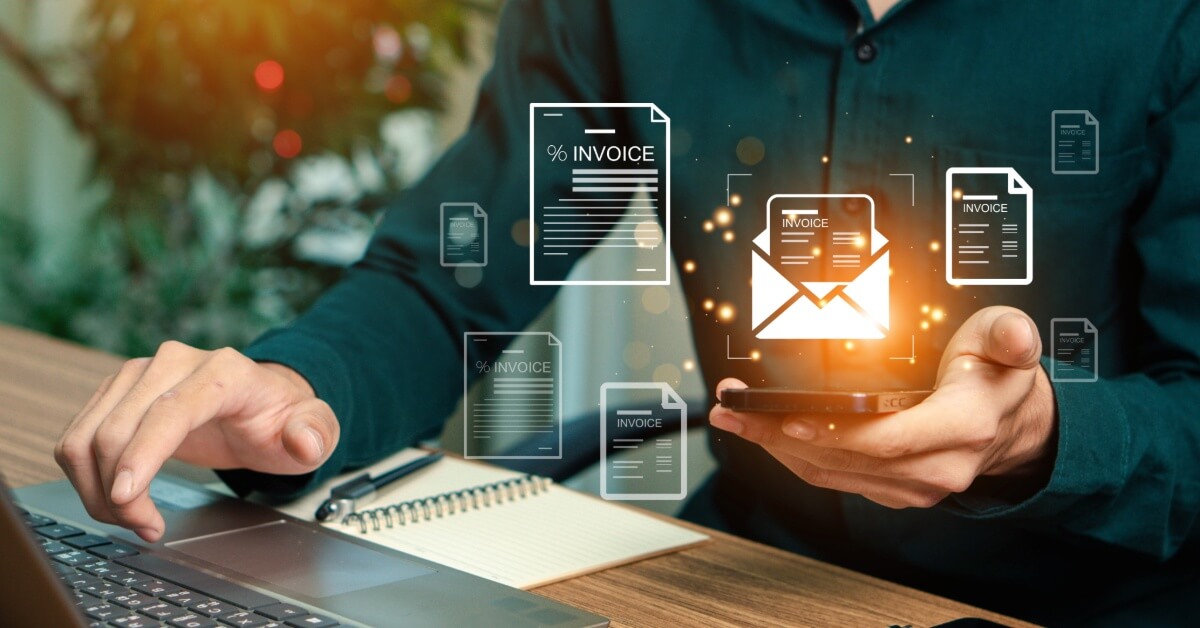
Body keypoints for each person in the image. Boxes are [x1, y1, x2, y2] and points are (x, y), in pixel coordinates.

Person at [53, 1, 1200, 624]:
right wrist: (296, 386)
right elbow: (451, 279)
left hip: (1084, 595)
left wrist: (1041, 438)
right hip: (738, 580)